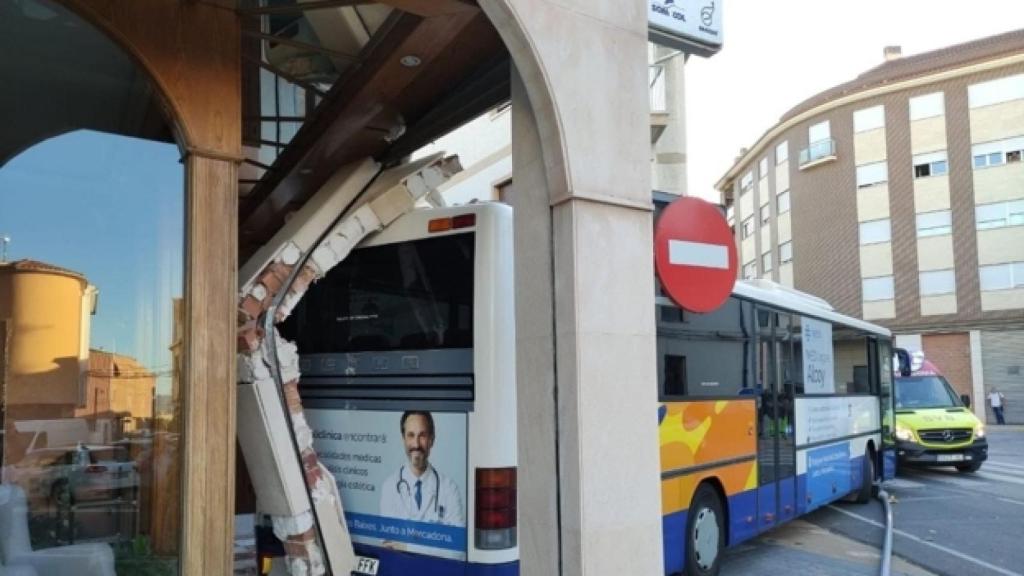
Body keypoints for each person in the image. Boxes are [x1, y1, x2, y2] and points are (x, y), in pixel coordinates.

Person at [379, 411, 464, 526]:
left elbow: (455, 541)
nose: (416, 444)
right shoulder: (389, 487)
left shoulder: (449, 489)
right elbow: (387, 541)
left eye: (422, 435)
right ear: (403, 439)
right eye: (411, 435)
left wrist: (405, 544)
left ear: (431, 439)